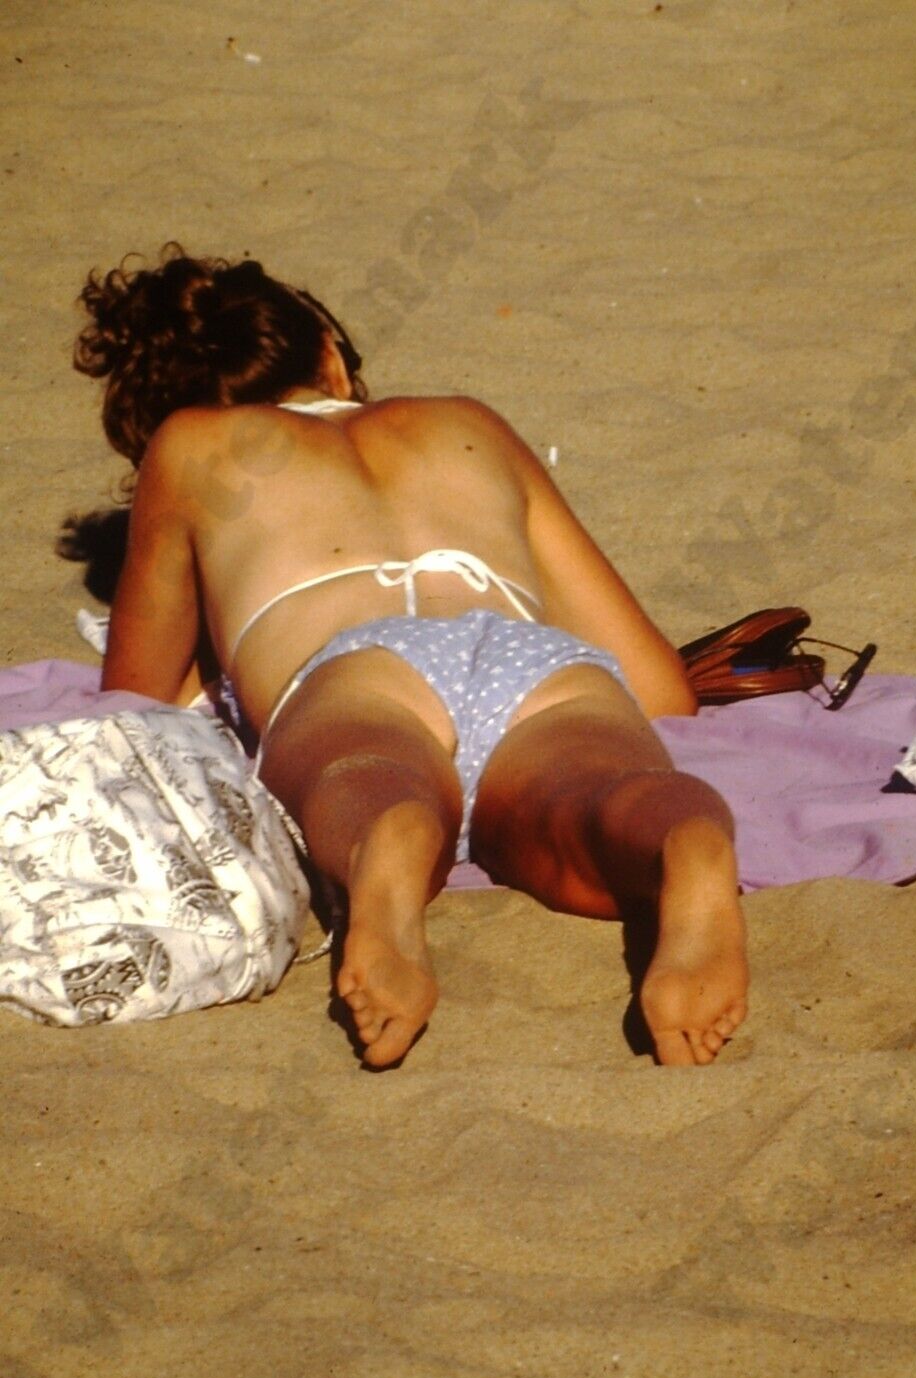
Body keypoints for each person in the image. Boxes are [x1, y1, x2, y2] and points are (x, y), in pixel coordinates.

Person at [75, 245, 748, 1068]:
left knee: (364, 774)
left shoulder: (189, 449)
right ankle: (679, 831)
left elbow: (134, 705)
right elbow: (660, 690)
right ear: (327, 352)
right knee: (590, 803)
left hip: (362, 666)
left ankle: (388, 843)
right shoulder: (466, 423)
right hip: (535, 661)